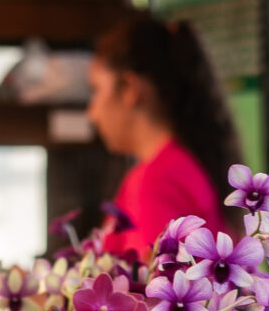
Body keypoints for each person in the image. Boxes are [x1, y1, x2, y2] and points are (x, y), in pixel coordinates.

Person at [86, 15, 243, 254]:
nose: (92, 113)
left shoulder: (158, 181)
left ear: (130, 88)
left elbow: (156, 290)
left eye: (96, 90)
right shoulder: (179, 166)